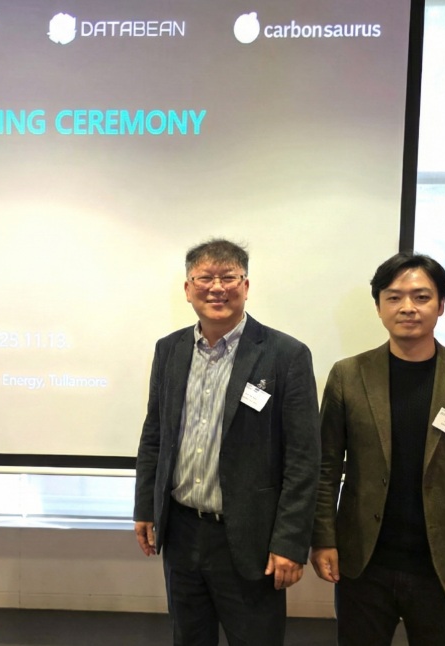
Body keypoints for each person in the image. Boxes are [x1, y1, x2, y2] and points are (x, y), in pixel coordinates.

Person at [309, 252, 445, 646]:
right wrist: (323, 539)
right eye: (394, 297)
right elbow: (325, 469)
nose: (408, 307)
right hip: (364, 564)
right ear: (378, 307)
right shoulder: (348, 376)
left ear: (441, 305)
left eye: (421, 297)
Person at [134, 239, 320, 646]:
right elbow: (155, 435)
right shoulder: (170, 350)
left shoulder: (285, 355)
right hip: (182, 531)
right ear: (188, 289)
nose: (217, 287)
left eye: (228, 277)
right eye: (205, 278)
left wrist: (290, 542)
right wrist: (145, 506)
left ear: (246, 286)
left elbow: (304, 459)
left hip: (251, 536)